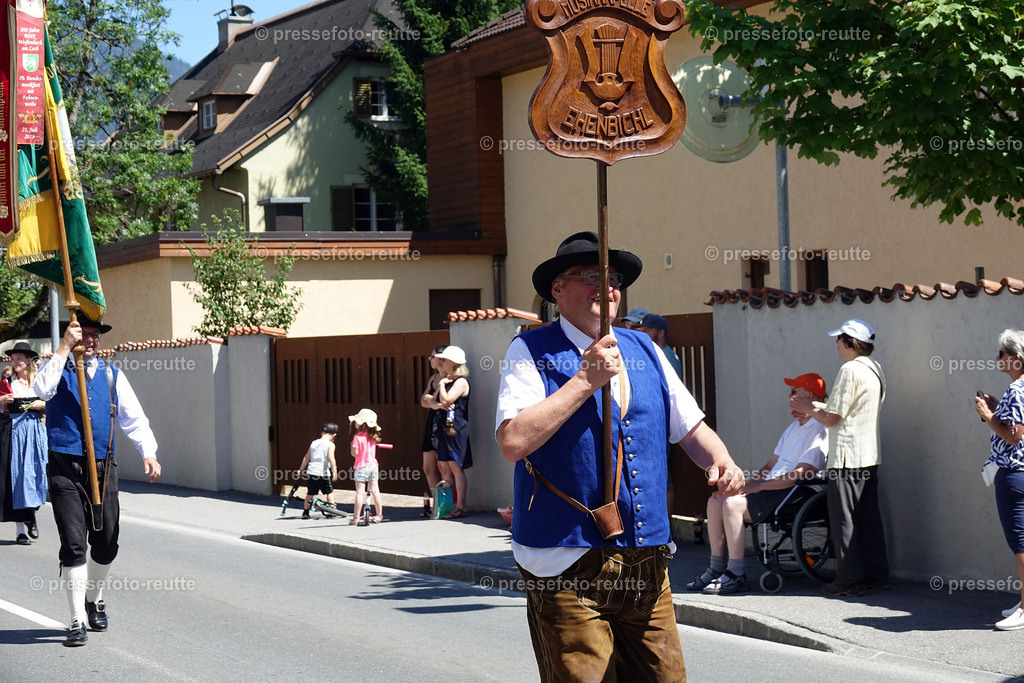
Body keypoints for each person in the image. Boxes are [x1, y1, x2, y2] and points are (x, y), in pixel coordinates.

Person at [495, 231, 744, 681]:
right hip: (565, 560)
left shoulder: (645, 348)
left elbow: (689, 428)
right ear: (558, 289)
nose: (606, 287)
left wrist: (720, 458)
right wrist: (583, 380)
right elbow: (513, 441)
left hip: (644, 556)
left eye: (613, 279)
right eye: (589, 275)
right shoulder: (529, 350)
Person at [34, 313, 161, 647]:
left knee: (105, 545)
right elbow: (41, 389)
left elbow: (134, 419)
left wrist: (148, 452)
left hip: (103, 468)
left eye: (94, 336)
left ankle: (94, 597)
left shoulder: (111, 374)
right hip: (64, 466)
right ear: (72, 337)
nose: (89, 341)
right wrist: (63, 348)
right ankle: (76, 621)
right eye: (83, 335)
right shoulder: (56, 368)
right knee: (74, 545)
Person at [687, 373, 828, 595]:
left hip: (795, 491)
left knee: (732, 506)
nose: (789, 396)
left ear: (808, 395)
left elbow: (800, 474)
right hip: (774, 487)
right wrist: (750, 484)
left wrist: (760, 487)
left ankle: (736, 574)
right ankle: (716, 569)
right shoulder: (793, 428)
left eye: (794, 391)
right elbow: (770, 464)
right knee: (716, 501)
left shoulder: (820, 427)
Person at [790, 318, 888, 597]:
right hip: (869, 454)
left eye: (839, 338)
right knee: (868, 517)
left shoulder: (849, 370)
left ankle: (848, 580)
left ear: (850, 342)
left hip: (847, 457)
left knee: (844, 519)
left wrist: (807, 407)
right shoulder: (874, 368)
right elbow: (850, 409)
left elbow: (833, 418)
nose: (836, 343)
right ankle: (876, 575)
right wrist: (817, 406)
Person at [974, 329, 1024, 630]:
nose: (998, 359)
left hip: (1014, 474)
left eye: (1003, 354)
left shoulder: (1017, 390)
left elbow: (1014, 436)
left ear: (1016, 359)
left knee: (1020, 543)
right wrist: (994, 410)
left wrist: (987, 415)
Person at [0, 343, 48, 544]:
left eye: (20, 358)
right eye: (14, 358)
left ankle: (31, 514)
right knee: (17, 478)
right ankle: (21, 530)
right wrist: (2, 400)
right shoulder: (7, 383)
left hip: (36, 432)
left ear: (29, 360)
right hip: (15, 432)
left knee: (36, 476)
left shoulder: (39, 383)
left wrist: (42, 404)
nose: (16, 361)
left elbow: (53, 402)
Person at [433, 345, 472, 519]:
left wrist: (441, 385)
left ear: (453, 362)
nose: (441, 362)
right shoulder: (449, 380)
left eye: (444, 359)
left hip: (455, 429)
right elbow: (437, 401)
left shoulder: (461, 381)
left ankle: (461, 505)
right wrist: (442, 390)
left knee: (456, 466)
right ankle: (447, 505)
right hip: (444, 426)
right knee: (445, 466)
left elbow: (447, 399)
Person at [419, 345, 447, 517]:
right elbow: (423, 400)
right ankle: (435, 503)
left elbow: (439, 401)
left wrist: (431, 400)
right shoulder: (434, 378)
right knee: (428, 467)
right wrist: (432, 400)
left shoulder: (450, 378)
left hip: (444, 423)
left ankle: (445, 505)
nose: (430, 359)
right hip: (431, 422)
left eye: (432, 356)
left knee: (444, 466)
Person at [349, 409, 384, 524]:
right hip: (373, 465)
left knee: (360, 492)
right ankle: (379, 515)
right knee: (375, 490)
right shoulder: (372, 437)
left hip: (361, 466)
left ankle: (356, 517)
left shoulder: (357, 437)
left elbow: (355, 453)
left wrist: (352, 447)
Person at [298, 423, 339, 520]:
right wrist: (335, 472)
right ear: (334, 435)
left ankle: (305, 512)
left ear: (322, 433)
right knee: (329, 492)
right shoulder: (330, 444)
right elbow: (331, 458)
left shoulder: (314, 443)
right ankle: (332, 508)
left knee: (310, 493)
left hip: (312, 472)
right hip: (323, 473)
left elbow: (306, 457)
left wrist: (300, 470)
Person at [636, 313, 684, 379]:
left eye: (647, 331)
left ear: (661, 333)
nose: (642, 335)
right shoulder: (655, 354)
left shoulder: (666, 357)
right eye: (641, 332)